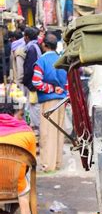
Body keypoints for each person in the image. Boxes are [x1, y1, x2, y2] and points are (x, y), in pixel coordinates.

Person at [32, 32, 68, 172]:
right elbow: (67, 82)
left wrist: (51, 88)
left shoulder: (41, 61)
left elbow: (36, 82)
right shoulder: (61, 59)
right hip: (62, 100)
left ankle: (48, 164)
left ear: (44, 45)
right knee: (59, 131)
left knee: (47, 133)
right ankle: (58, 163)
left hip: (48, 101)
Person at [0, 107, 37, 214]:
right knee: (23, 182)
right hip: (16, 185)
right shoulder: (27, 133)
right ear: (14, 115)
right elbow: (32, 163)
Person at [22, 27, 42, 135]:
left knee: (34, 107)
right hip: (34, 82)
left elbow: (30, 67)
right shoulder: (35, 47)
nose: (23, 38)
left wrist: (26, 81)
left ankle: (36, 130)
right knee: (32, 106)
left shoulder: (31, 49)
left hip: (33, 83)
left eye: (24, 36)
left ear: (27, 37)